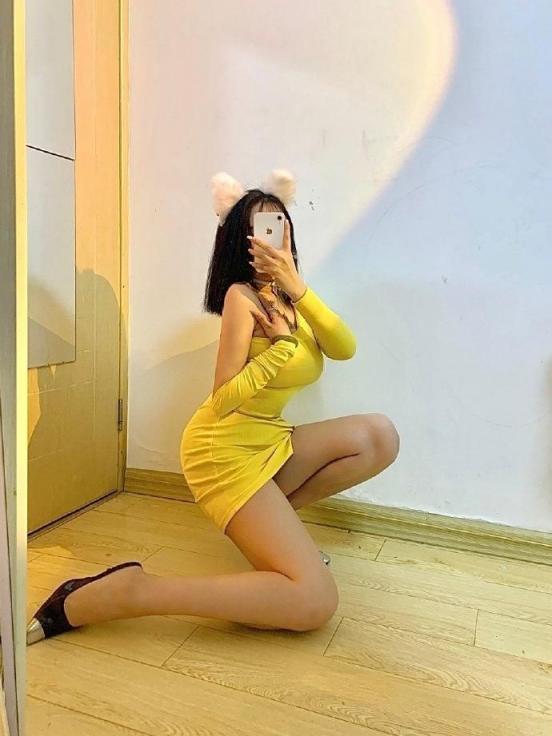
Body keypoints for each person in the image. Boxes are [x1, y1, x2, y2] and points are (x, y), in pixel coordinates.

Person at [26, 169, 400, 645]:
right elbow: (223, 395)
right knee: (315, 602)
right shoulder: (241, 297)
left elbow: (344, 348)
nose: (270, 238)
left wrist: (298, 287)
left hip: (268, 439)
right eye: (258, 229)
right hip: (222, 449)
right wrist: (282, 349)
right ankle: (132, 592)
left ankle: (273, 528)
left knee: (379, 436)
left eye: (279, 226)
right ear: (239, 242)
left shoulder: (292, 299)